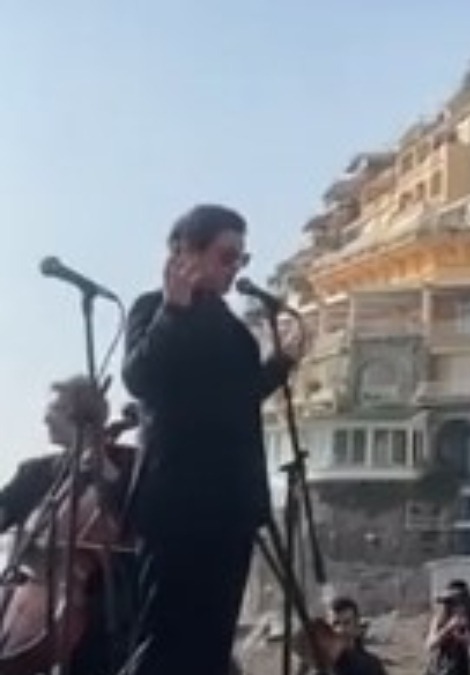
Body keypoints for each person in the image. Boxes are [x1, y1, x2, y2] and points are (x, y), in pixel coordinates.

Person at [119, 204, 302, 675]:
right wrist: (174, 312)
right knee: (165, 638)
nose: (235, 269)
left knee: (212, 643)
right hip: (177, 504)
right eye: (226, 256)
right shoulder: (152, 309)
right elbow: (140, 378)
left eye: (241, 259)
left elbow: (236, 401)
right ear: (186, 252)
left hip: (230, 506)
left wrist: (280, 365)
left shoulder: (234, 331)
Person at [0, 375, 138, 675]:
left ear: (82, 416)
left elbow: (132, 509)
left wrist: (102, 466)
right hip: (30, 593)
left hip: (100, 612)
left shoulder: (128, 465)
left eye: (55, 409)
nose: (45, 419)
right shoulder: (35, 472)